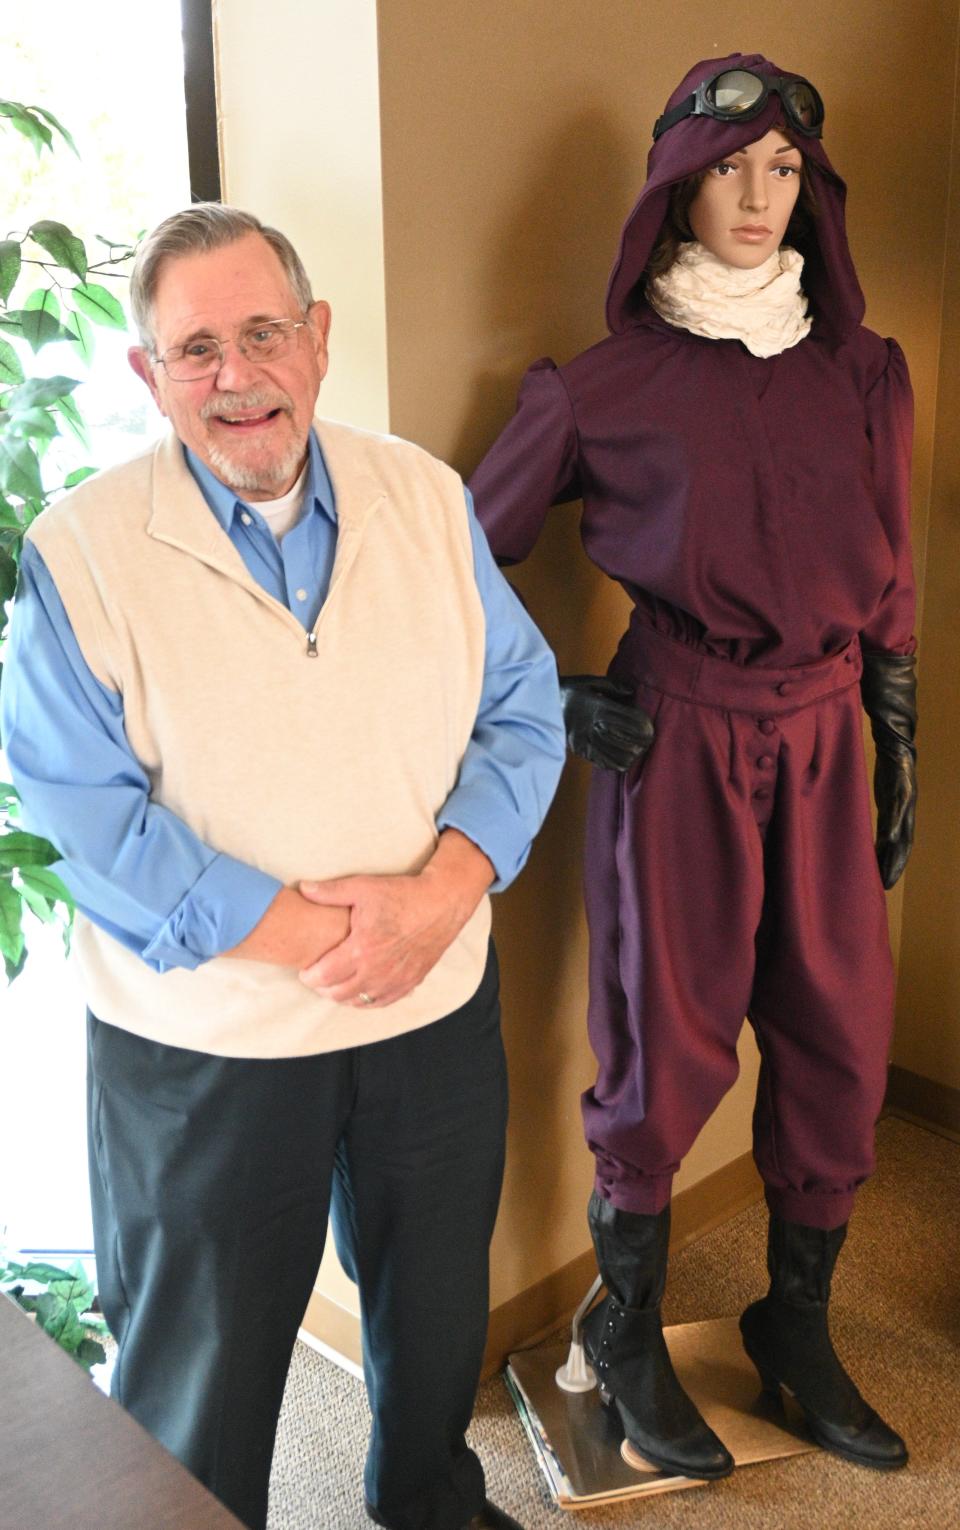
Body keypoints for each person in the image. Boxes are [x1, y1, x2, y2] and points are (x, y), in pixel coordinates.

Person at [2, 204, 566, 1530]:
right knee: (200, 1376)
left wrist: (436, 898)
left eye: (264, 333)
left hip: (428, 1002)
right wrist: (320, 939)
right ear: (147, 373)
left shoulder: (426, 497)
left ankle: (426, 1496)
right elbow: (94, 825)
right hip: (208, 1047)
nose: (237, 376)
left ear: (316, 341)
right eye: (195, 348)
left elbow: (526, 710)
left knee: (435, 1320)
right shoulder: (79, 553)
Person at [470, 53, 916, 1481]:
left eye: (784, 170)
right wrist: (553, 692)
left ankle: (797, 1328)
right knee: (664, 1051)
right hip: (683, 738)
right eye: (730, 168)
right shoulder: (606, 387)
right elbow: (455, 556)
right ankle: (628, 1333)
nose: (757, 196)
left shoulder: (863, 372)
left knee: (841, 1035)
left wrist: (896, 724)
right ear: (675, 182)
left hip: (828, 733)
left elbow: (892, 572)